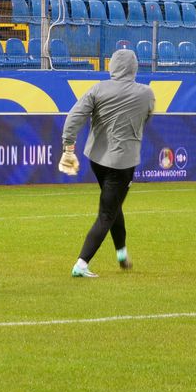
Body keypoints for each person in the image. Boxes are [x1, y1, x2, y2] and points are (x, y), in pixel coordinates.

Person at [60, 49, 155, 278]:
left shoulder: (98, 89)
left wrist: (68, 146)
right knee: (107, 212)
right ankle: (81, 263)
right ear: (134, 67)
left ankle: (122, 253)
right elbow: (147, 118)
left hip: (97, 159)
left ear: (111, 66)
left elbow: (74, 117)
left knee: (113, 206)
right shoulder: (146, 93)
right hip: (123, 162)